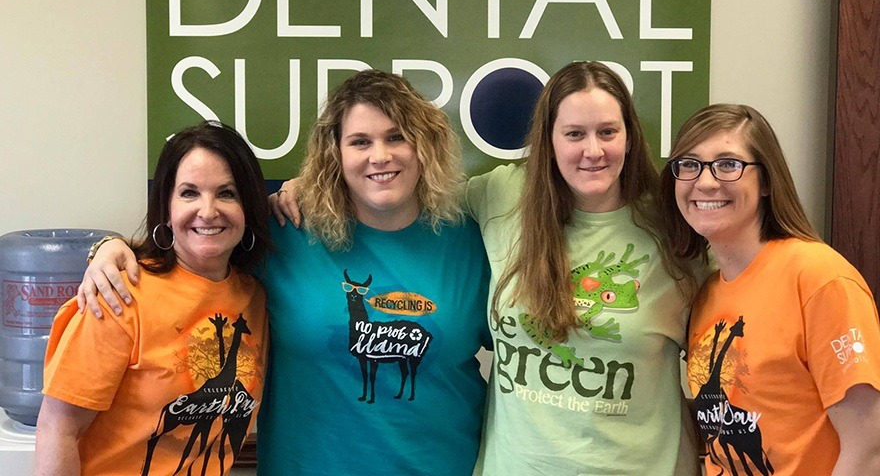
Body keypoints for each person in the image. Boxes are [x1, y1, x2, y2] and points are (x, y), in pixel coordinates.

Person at [273, 62, 703, 474]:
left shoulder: (676, 231)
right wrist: (300, 189)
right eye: (574, 133)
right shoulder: (499, 200)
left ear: (630, 137)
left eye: (607, 131)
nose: (592, 150)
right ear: (548, 141)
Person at [79, 70, 492, 475]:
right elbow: (196, 248)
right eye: (360, 141)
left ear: (425, 144)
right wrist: (112, 248)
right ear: (336, 153)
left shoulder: (475, 242)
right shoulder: (288, 232)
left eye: (397, 136)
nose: (379, 156)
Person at [35, 120, 271, 475]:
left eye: (227, 193)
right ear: (166, 205)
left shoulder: (255, 297)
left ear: (248, 205)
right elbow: (58, 428)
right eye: (189, 193)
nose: (208, 211)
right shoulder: (119, 293)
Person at [659, 103, 880, 475]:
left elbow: (869, 448)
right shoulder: (707, 292)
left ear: (765, 181)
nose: (706, 182)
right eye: (690, 165)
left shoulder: (819, 278)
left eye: (728, 164)